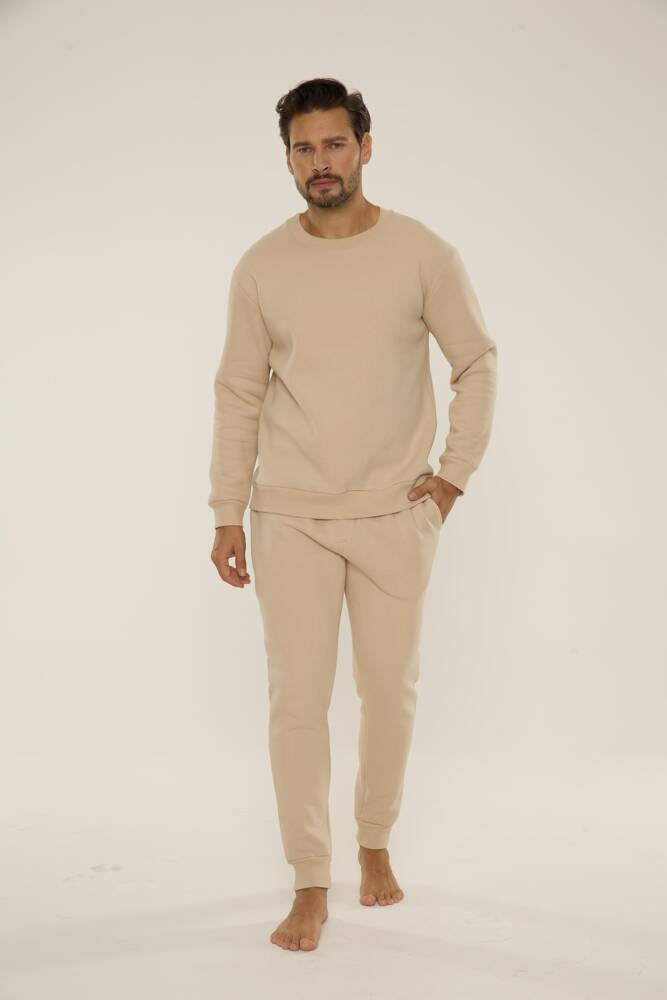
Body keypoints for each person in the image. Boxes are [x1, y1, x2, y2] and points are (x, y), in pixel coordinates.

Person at [208, 77, 498, 952]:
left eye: (334, 144)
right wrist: (227, 512)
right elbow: (238, 392)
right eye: (303, 148)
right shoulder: (261, 265)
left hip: (393, 513)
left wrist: (451, 479)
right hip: (290, 514)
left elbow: (475, 362)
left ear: (364, 148)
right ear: (287, 160)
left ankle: (373, 842)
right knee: (296, 700)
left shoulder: (423, 253)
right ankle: (309, 879)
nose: (320, 162)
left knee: (388, 692)